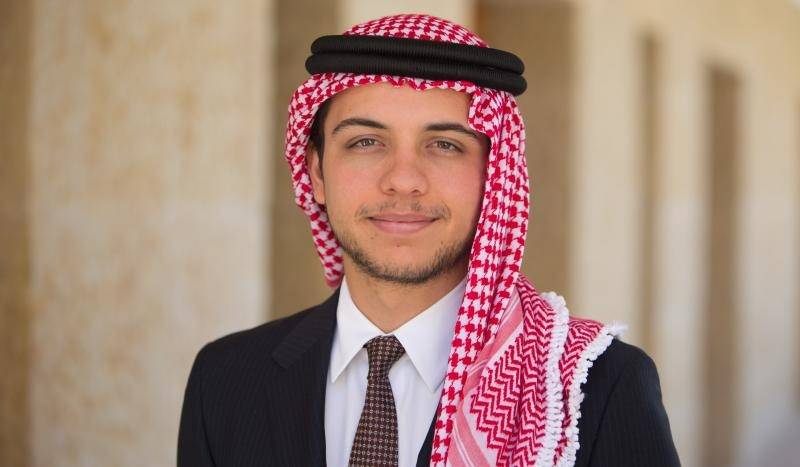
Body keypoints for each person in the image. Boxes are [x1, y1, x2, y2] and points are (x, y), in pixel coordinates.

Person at [177, 13, 680, 467]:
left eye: (444, 145)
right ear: (316, 174)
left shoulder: (593, 390)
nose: (403, 180)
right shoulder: (224, 381)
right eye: (365, 142)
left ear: (494, 176)